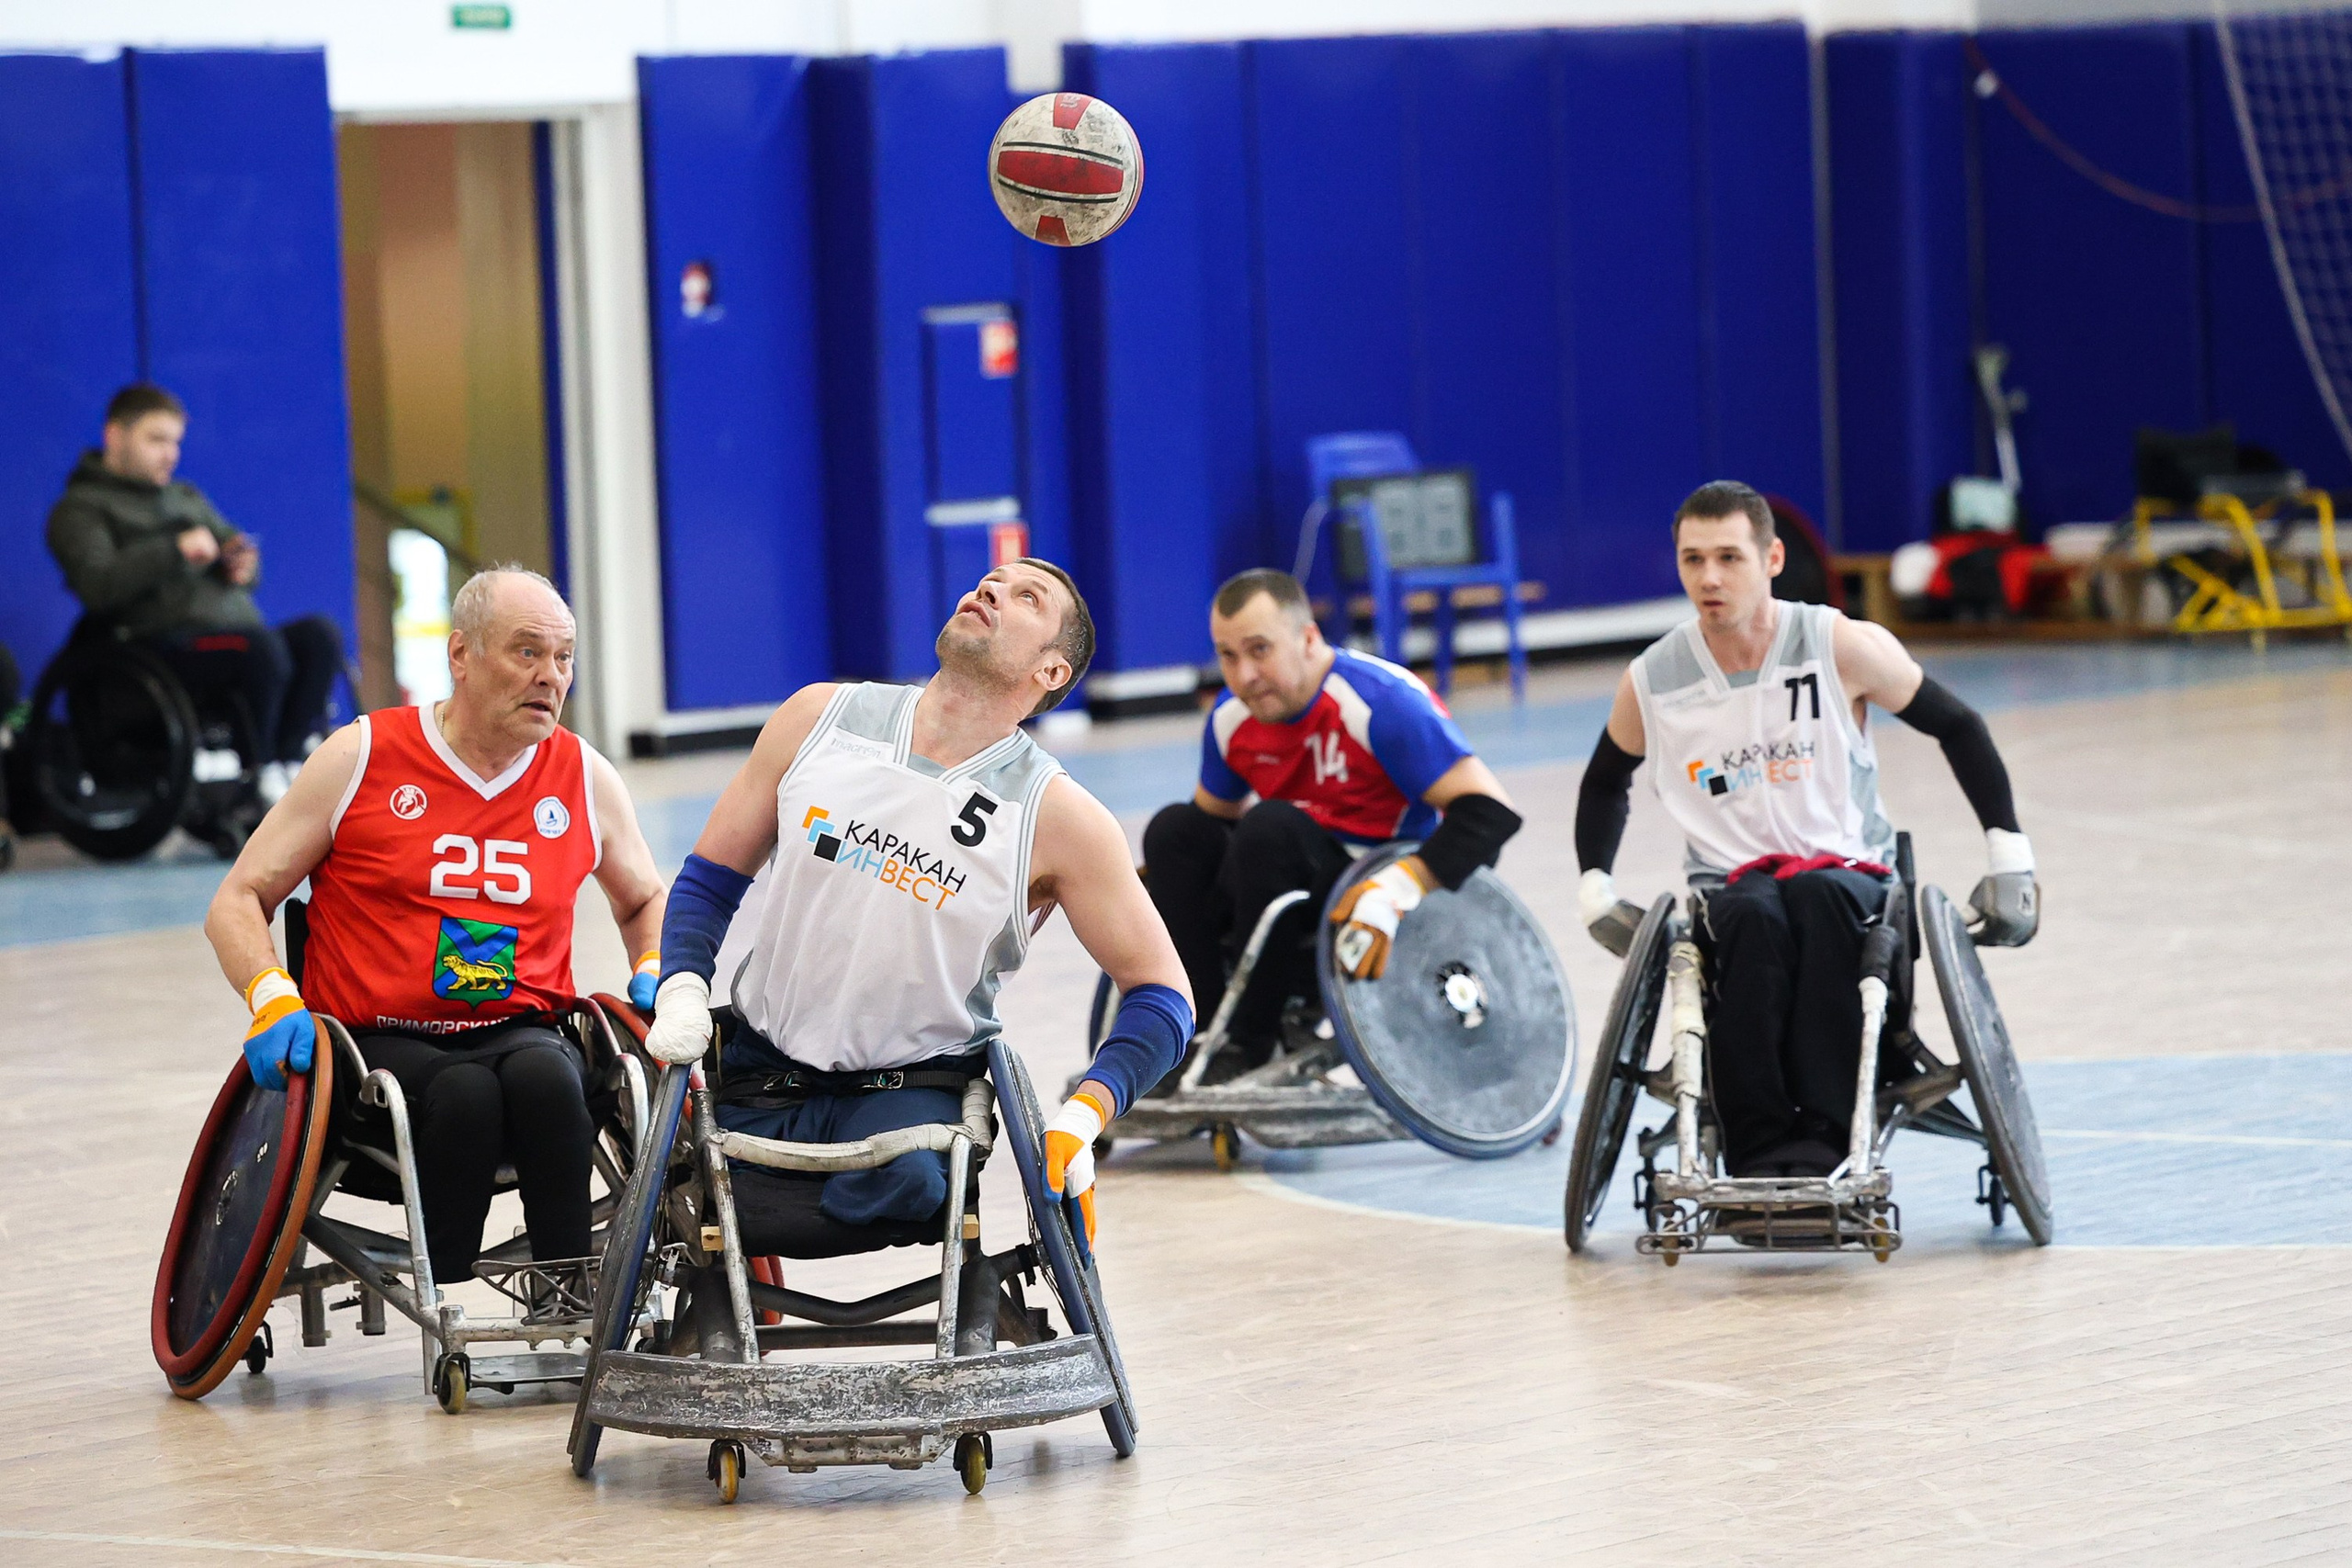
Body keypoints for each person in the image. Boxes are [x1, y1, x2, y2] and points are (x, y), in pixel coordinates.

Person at [641, 558, 1192, 1246]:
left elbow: (1163, 993)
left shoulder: (1059, 816)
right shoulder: (820, 715)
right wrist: (685, 985)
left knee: (918, 1188)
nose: (990, 588)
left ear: (1052, 671)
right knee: (671, 1178)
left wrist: (1085, 1114)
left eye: (1027, 596)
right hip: (760, 1070)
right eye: (990, 578)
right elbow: (709, 877)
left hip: (907, 1095)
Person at [203, 567, 669, 1284]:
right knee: (465, 1096)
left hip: (520, 1022)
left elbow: (643, 898)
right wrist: (271, 997)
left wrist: (652, 966)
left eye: (564, 657)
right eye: (526, 652)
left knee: (553, 1081)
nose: (550, 676)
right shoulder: (361, 757)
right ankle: (446, 1301)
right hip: (380, 1036)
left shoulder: (581, 775)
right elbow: (238, 897)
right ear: (461, 655)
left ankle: (571, 1293)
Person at [1574, 479, 2039, 1179]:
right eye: (1692, 559)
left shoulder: (1837, 643)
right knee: (1753, 917)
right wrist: (1595, 892)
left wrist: (2010, 860)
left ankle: (1828, 1131)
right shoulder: (1654, 678)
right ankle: (1758, 1144)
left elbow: (1959, 725)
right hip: (1730, 885)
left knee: (1820, 900)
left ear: (1773, 559)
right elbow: (1605, 780)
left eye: (1730, 557)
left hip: (1850, 875)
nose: (1709, 577)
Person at [1139, 569, 1521, 1081]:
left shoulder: (1381, 703)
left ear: (1309, 638)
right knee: (1173, 830)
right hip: (1275, 875)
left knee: (1269, 827)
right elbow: (1207, 829)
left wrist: (1402, 887)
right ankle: (1191, 1030)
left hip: (1366, 888)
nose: (1244, 675)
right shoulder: (1232, 719)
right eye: (1228, 656)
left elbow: (1489, 814)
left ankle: (1250, 1042)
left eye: (1259, 650)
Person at [47, 383, 344, 804]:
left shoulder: (184, 497)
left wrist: (241, 566)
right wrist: (172, 549)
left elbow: (234, 553)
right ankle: (259, 771)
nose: (170, 453)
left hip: (231, 633)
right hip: (157, 645)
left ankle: (287, 761)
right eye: (156, 440)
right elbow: (99, 586)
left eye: (175, 442)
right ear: (115, 436)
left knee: (320, 635)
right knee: (258, 649)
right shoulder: (80, 509)